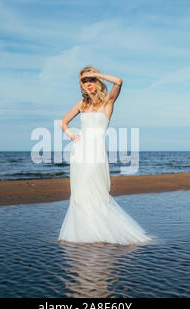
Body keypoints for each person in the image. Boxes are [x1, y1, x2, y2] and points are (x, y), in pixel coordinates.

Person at [58, 65, 152, 245]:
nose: (88, 84)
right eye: (84, 81)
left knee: (97, 192)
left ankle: (101, 231)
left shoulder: (108, 102)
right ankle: (85, 233)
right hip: (79, 151)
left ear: (98, 81)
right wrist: (72, 136)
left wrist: (95, 73)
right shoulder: (81, 104)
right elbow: (63, 122)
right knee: (79, 194)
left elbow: (119, 81)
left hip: (96, 152)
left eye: (91, 80)